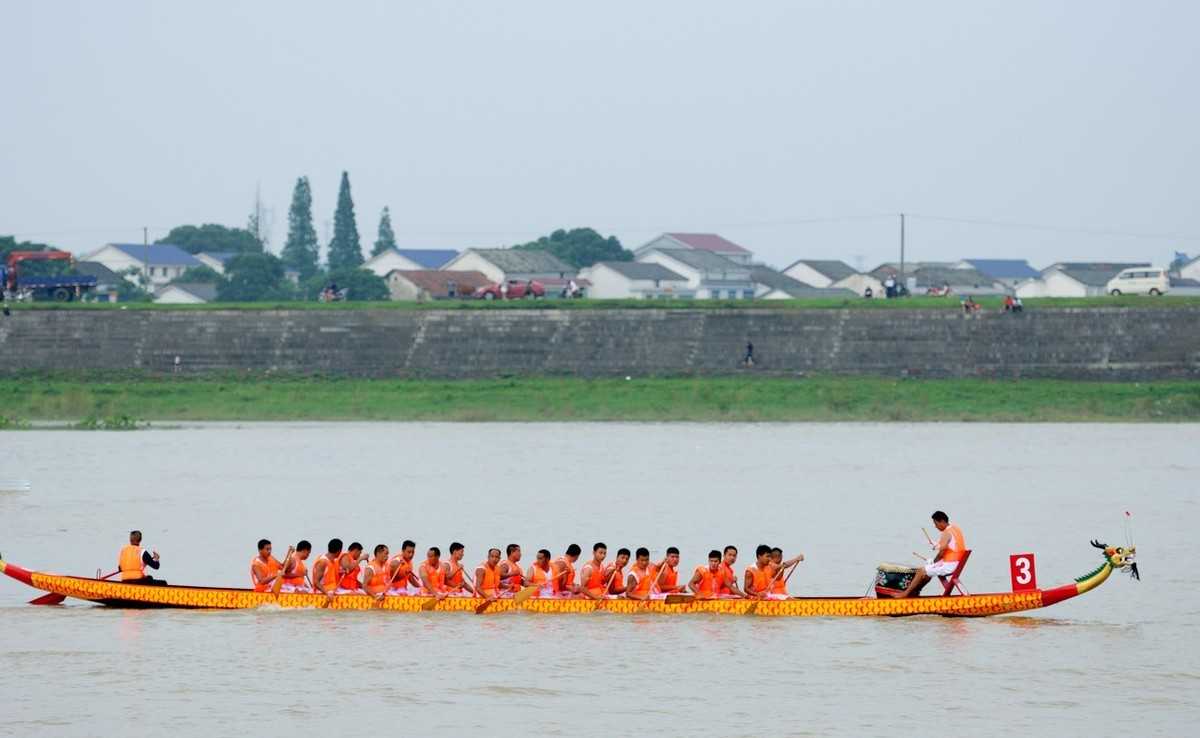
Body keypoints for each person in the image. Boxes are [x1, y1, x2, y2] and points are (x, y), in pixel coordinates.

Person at [896, 511, 967, 598]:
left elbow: (941, 553)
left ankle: (905, 594)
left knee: (921, 571)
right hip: (956, 564)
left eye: (936, 523)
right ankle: (915, 592)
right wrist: (933, 562)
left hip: (949, 566)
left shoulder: (946, 533)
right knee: (927, 568)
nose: (935, 526)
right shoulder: (956, 528)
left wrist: (934, 561)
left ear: (942, 521)